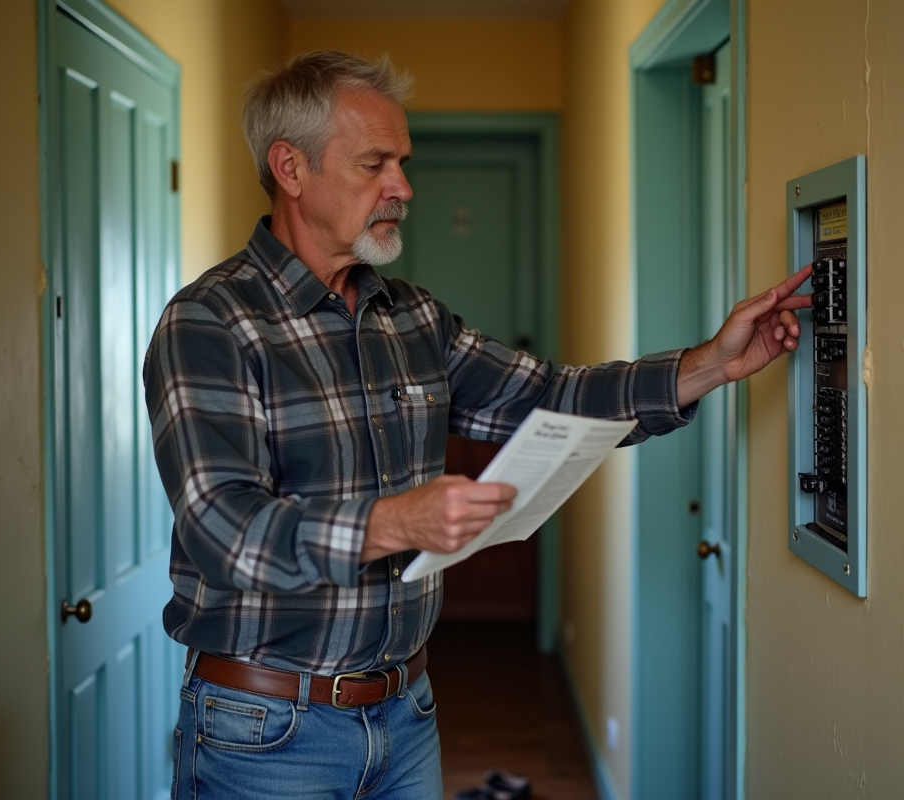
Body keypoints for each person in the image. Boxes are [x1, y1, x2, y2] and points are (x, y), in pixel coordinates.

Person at [144, 50, 811, 800]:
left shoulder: (413, 317)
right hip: (265, 733)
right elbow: (222, 527)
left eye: (402, 162)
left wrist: (708, 366)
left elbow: (552, 396)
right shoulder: (209, 323)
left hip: (405, 716)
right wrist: (397, 523)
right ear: (291, 169)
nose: (403, 187)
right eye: (375, 165)